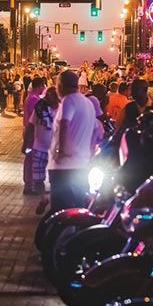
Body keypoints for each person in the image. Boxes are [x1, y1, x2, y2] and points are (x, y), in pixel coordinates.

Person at [47, 71, 98, 211]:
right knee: (77, 207)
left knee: (61, 210)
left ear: (61, 86)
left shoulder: (68, 101)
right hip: (82, 165)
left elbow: (64, 123)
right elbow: (96, 130)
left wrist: (60, 151)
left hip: (64, 167)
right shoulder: (88, 103)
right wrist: (90, 152)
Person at [29, 87, 59, 195]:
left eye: (54, 95)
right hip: (39, 148)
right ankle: (42, 198)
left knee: (55, 179)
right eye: (50, 95)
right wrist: (27, 144)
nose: (52, 98)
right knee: (38, 178)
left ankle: (53, 199)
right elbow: (31, 126)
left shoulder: (62, 110)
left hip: (55, 151)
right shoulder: (39, 109)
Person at [22, 77, 47, 195]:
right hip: (31, 132)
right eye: (43, 86)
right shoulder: (34, 99)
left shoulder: (31, 97)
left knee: (30, 158)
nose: (44, 88)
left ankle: (29, 184)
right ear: (39, 86)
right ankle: (29, 185)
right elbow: (35, 118)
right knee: (30, 159)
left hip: (30, 131)